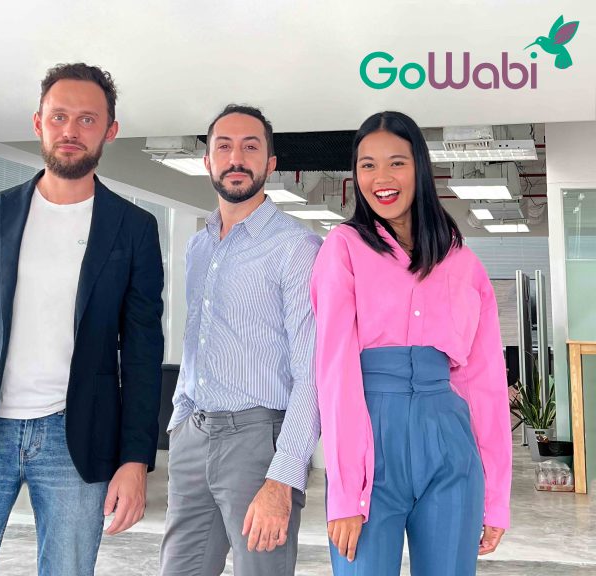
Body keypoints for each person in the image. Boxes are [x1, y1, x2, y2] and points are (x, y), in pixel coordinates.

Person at [0, 63, 165, 576]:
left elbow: (142, 354)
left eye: (87, 119)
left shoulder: (134, 227)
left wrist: (136, 460)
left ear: (110, 130)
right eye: (59, 116)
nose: (71, 130)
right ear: (38, 123)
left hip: (79, 440)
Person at [310, 111, 511, 575]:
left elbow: (484, 383)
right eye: (367, 165)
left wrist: (496, 497)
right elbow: (334, 372)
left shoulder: (463, 263)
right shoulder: (343, 249)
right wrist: (345, 491)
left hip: (449, 445)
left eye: (396, 163)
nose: (381, 178)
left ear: (420, 167)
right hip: (371, 443)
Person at [159, 105, 322, 576]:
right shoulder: (199, 246)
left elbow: (311, 371)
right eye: (224, 147)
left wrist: (283, 475)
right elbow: (197, 340)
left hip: (258, 441)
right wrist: (179, 419)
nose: (236, 158)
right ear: (208, 161)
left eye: (250, 147)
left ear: (270, 163)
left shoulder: (297, 248)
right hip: (193, 434)